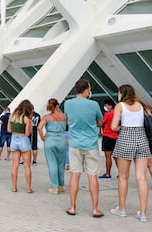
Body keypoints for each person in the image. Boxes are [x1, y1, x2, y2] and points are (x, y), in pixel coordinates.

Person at [110, 84, 151, 222]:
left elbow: (113, 126)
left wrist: (123, 126)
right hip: (142, 139)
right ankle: (143, 213)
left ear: (122, 93)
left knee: (123, 177)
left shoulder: (120, 106)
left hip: (126, 138)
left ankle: (122, 209)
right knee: (142, 178)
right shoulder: (142, 105)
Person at [64, 79, 103, 218]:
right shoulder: (94, 104)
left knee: (75, 174)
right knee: (92, 176)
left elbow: (68, 120)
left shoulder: (68, 104)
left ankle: (73, 207)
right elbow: (100, 122)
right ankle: (95, 209)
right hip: (91, 144)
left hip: (74, 144)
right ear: (87, 89)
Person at [37, 98, 67, 194]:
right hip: (62, 140)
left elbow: (39, 128)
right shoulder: (64, 116)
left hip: (50, 139)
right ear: (57, 105)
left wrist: (42, 137)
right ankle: (61, 185)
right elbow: (67, 126)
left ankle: (54, 187)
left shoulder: (46, 117)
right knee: (61, 164)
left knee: (52, 164)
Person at [9, 100, 34, 193]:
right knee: (27, 166)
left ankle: (14, 187)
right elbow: (27, 133)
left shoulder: (12, 117)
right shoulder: (27, 118)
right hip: (24, 140)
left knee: (15, 165)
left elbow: (9, 129)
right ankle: (28, 188)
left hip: (14, 139)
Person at [98, 98, 119, 180]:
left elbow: (101, 123)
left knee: (108, 156)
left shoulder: (108, 114)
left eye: (106, 105)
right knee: (116, 156)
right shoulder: (117, 113)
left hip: (107, 136)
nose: (105, 107)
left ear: (110, 105)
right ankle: (121, 173)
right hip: (115, 137)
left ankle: (108, 174)